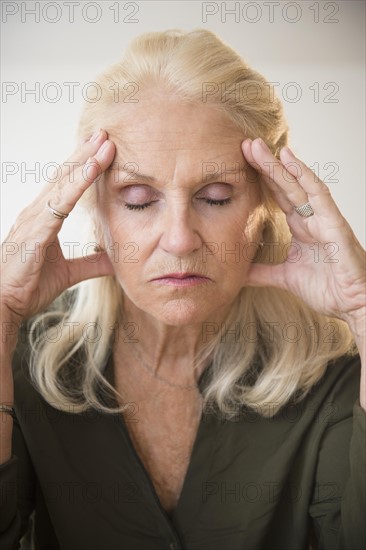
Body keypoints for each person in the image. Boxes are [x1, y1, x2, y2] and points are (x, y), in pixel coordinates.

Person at [0, 29, 365, 550]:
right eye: (138, 198)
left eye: (215, 197)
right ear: (97, 210)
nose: (178, 239)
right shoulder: (25, 357)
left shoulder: (336, 369)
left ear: (265, 209)